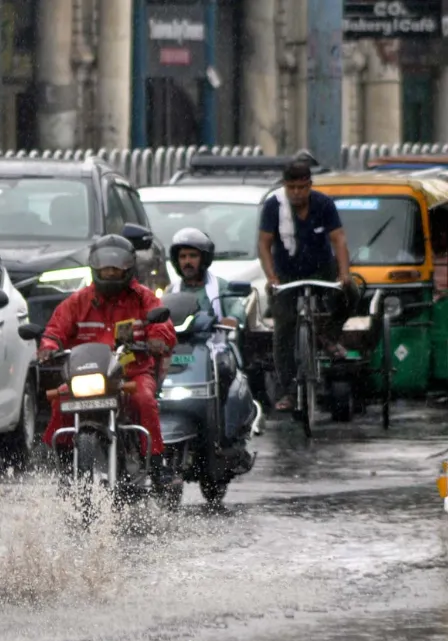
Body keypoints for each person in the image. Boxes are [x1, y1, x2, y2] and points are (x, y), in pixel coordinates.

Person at [37, 234, 177, 487]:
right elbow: (55, 330)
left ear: (129, 267)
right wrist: (48, 347)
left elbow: (163, 326)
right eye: (104, 267)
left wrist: (158, 339)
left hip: (131, 373)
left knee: (144, 399)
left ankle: (156, 462)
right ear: (94, 266)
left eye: (116, 267)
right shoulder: (78, 301)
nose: (110, 272)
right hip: (87, 375)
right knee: (61, 400)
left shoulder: (144, 298)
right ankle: (63, 460)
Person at [257, 160, 356, 412]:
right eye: (292, 188)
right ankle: (289, 390)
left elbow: (338, 239)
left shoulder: (323, 204)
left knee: (351, 293)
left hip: (322, 268)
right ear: (285, 186)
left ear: (310, 185)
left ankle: (329, 335)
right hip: (286, 274)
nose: (297, 193)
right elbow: (264, 244)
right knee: (284, 326)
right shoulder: (274, 206)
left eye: (302, 187)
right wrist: (271, 277)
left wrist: (344, 274)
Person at [167, 227, 245, 395]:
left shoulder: (220, 286)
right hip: (179, 349)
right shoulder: (171, 291)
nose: (187, 261)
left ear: (204, 258)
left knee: (228, 376)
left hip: (213, 348)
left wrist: (233, 318)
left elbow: (236, 306)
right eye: (183, 256)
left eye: (193, 256)